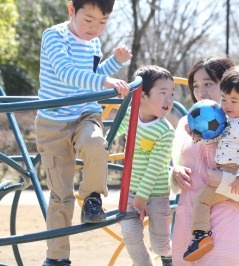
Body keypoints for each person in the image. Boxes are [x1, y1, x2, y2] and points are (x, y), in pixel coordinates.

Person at [35, 0, 132, 265]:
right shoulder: (54, 36)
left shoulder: (94, 42)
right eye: (88, 20)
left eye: (102, 22)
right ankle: (57, 258)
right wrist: (104, 80)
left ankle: (92, 198)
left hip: (84, 113)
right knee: (60, 196)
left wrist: (114, 63)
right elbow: (68, 73)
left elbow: (91, 74)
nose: (94, 28)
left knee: (95, 143)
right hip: (53, 121)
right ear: (71, 10)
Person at [170, 56, 239, 266]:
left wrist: (224, 181)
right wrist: (174, 174)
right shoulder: (186, 123)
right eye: (195, 85)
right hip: (188, 227)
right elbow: (175, 169)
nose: (201, 92)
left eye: (208, 84)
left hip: (226, 230)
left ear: (227, 84)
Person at [114, 65, 175, 266]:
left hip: (156, 194)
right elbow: (115, 131)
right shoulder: (131, 115)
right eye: (163, 93)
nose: (169, 99)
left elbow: (154, 168)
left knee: (160, 244)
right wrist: (101, 146)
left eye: (172, 94)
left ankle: (169, 256)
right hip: (131, 191)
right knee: (130, 234)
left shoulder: (165, 131)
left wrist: (142, 199)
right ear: (143, 96)